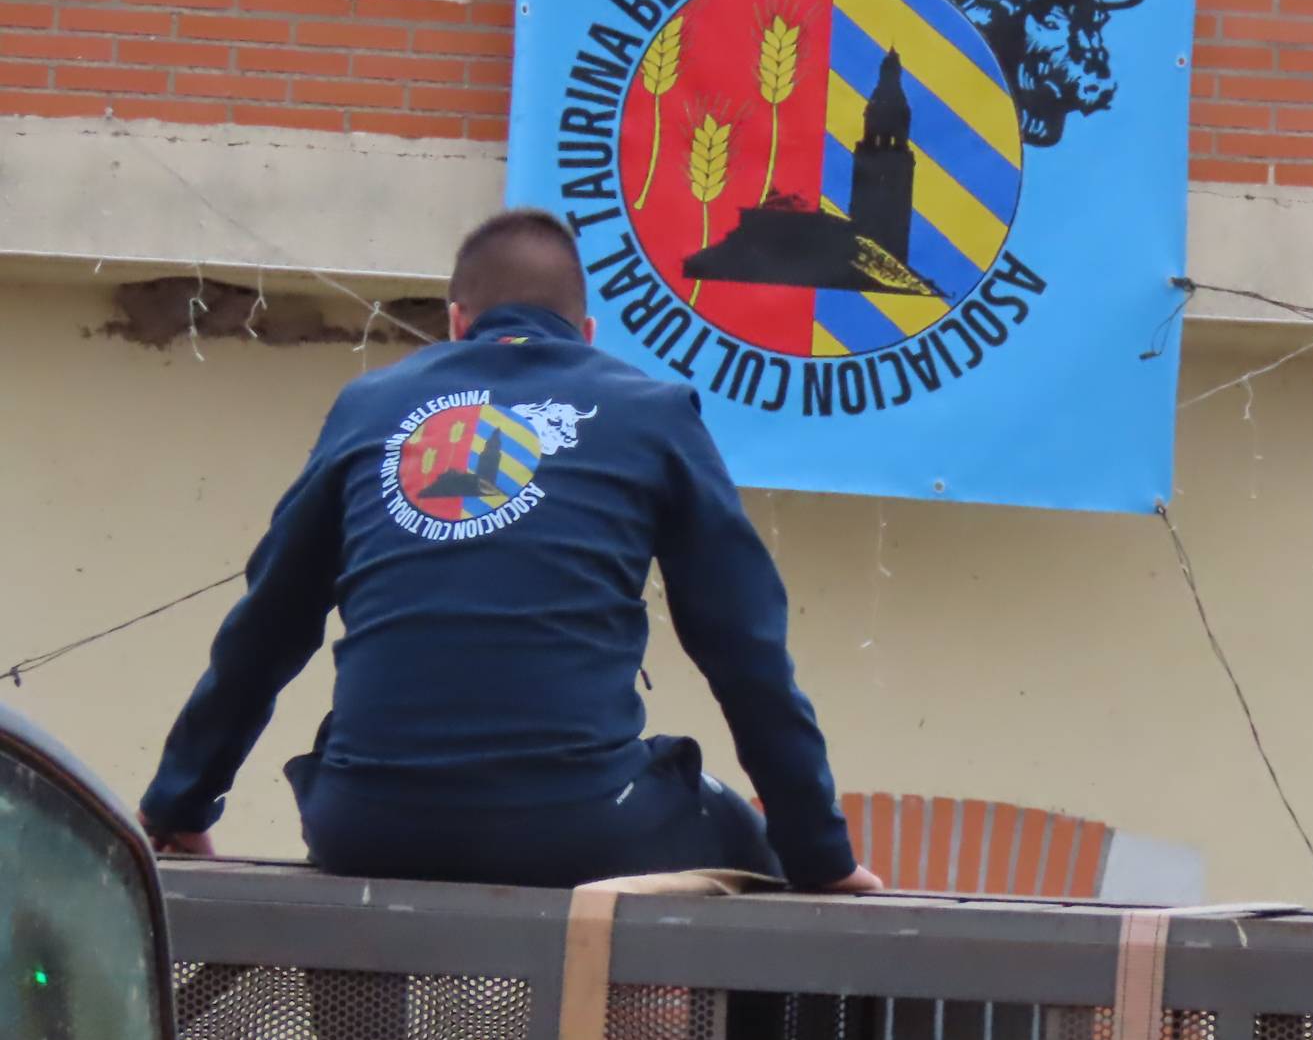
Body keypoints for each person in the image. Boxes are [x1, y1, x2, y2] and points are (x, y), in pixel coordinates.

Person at [137, 209, 880, 895]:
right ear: (585, 332)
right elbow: (745, 652)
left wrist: (181, 800)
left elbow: (269, 625)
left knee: (360, 869)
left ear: (459, 323)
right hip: (581, 825)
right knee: (747, 852)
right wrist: (821, 856)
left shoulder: (368, 407)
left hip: (367, 825)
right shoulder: (649, 412)